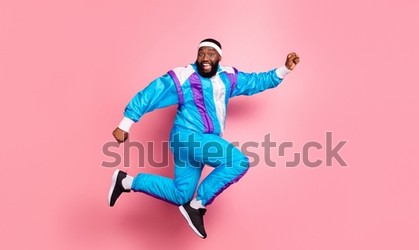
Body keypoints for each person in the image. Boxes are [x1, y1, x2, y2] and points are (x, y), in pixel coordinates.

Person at [108, 38, 300, 239]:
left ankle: (126, 182)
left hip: (196, 145)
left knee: (180, 194)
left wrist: (284, 69)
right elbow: (153, 93)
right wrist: (126, 123)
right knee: (238, 161)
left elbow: (255, 82)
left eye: (210, 54)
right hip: (187, 136)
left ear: (219, 57)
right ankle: (197, 205)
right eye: (201, 54)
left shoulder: (229, 78)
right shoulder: (184, 76)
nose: (205, 58)